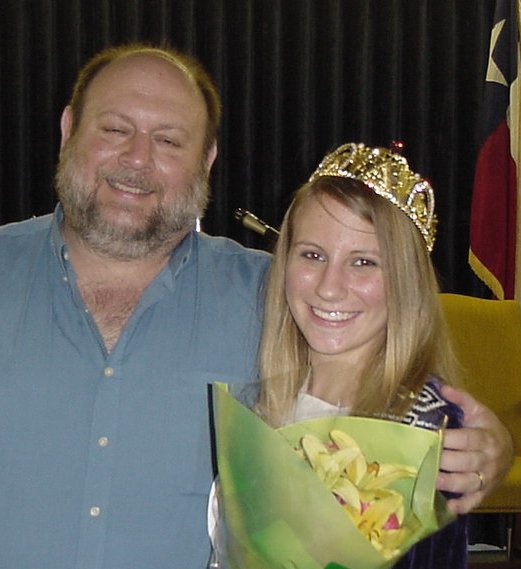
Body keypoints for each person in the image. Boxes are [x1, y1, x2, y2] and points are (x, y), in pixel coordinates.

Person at [0, 43, 511, 569]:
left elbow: (386, 373)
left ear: (207, 160)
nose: (137, 158)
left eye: (169, 140)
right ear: (68, 129)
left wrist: (485, 446)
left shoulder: (278, 297)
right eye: (114, 129)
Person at [253, 142, 473, 567]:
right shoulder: (258, 396)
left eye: (363, 262)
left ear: (405, 280)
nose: (329, 287)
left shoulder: (427, 428)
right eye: (313, 255)